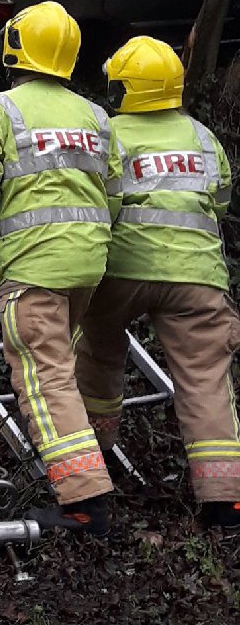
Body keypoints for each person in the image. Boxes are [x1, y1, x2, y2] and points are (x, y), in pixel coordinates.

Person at [0, 1, 121, 536]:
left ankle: (85, 501)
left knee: (45, 382)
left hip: (32, 269)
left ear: (16, 48)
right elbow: (113, 195)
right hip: (88, 266)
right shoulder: (95, 116)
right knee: (60, 367)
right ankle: (91, 464)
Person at [75, 36, 240, 532]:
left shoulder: (108, 133)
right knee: (205, 377)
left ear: (125, 87)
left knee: (99, 353)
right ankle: (225, 502)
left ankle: (95, 457)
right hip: (198, 278)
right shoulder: (202, 137)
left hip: (119, 272)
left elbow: (98, 203)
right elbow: (222, 200)